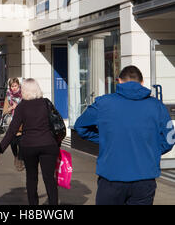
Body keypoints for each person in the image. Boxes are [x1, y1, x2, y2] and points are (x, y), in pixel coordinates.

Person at [74, 65, 175, 206]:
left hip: (111, 177)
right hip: (144, 177)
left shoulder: (104, 103)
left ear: (119, 81)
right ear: (142, 82)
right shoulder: (157, 106)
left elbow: (80, 126)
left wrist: (105, 139)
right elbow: (169, 139)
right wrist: (151, 150)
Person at [0, 78, 59, 205]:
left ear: (25, 90)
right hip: (48, 145)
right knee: (49, 179)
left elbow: (12, 131)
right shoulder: (46, 103)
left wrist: (0, 150)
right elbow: (55, 123)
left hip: (29, 146)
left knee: (31, 178)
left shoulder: (21, 107)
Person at [3, 78, 24, 171]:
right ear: (10, 87)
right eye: (12, 86)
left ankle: (20, 160)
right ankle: (16, 157)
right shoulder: (8, 97)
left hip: (23, 124)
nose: (14, 88)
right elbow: (4, 111)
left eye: (16, 85)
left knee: (22, 143)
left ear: (18, 85)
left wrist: (19, 107)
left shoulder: (23, 96)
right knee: (13, 143)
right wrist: (12, 107)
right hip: (12, 123)